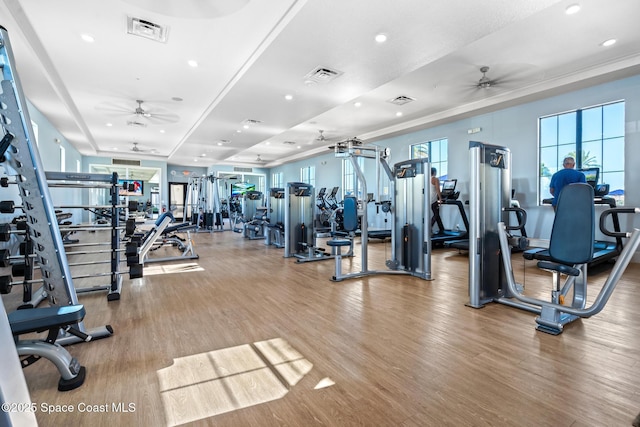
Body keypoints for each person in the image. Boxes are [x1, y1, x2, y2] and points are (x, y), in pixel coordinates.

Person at [430, 167, 444, 234]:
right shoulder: (435, 179)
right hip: (433, 199)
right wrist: (440, 198)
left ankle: (440, 229)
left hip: (428, 200)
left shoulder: (427, 179)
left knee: (436, 215)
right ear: (435, 172)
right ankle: (429, 228)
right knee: (436, 214)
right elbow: (438, 189)